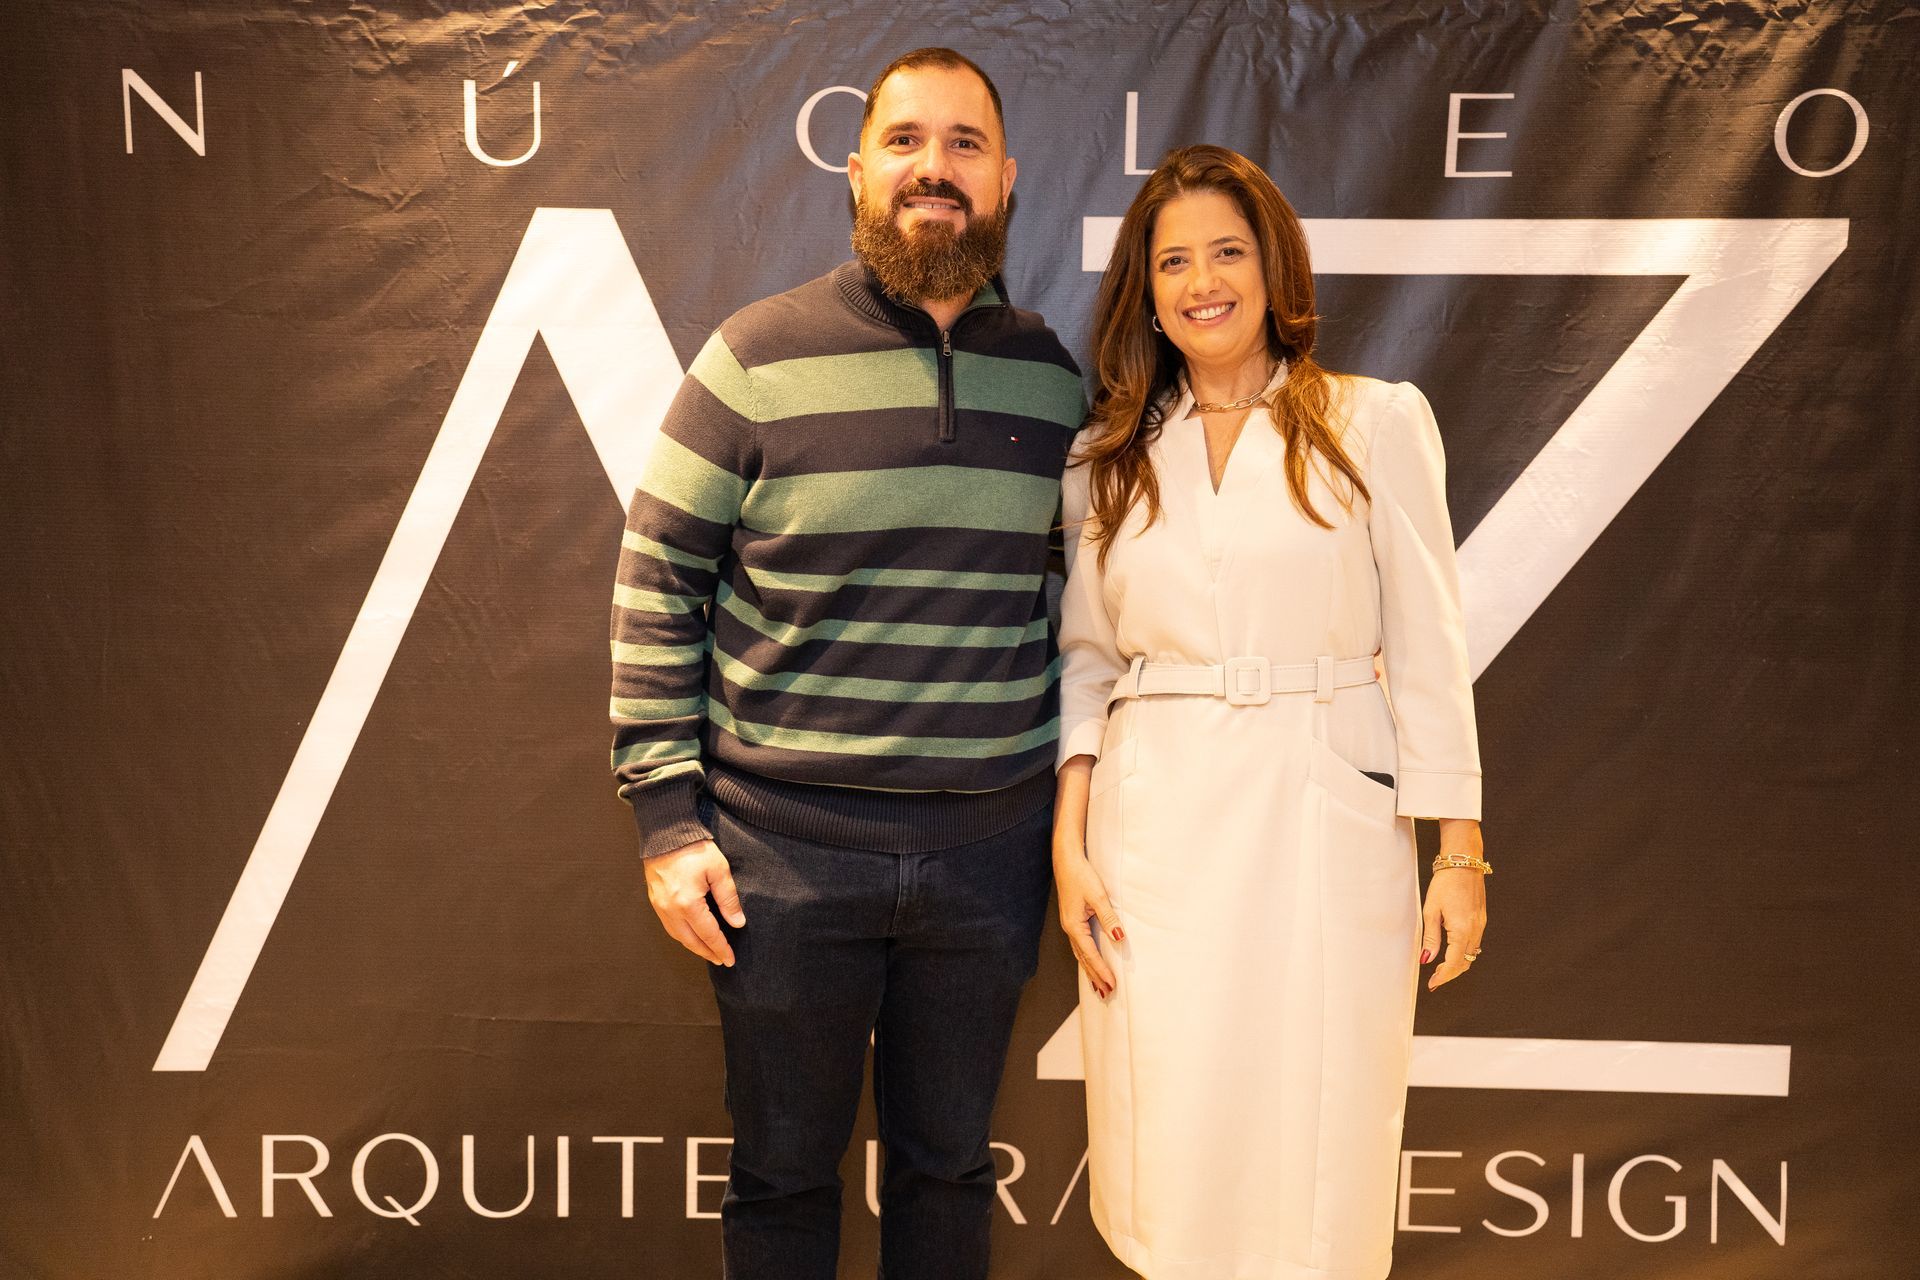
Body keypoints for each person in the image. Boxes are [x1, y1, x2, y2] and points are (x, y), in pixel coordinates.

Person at [608, 47, 1084, 1280]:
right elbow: (659, 578)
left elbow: (1084, 607)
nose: (937, 168)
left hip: (989, 857)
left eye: (966, 144)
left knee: (951, 1168)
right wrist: (668, 818)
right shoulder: (754, 354)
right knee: (779, 1179)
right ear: (859, 171)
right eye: (909, 142)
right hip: (783, 857)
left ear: (1007, 178)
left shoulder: (1049, 378)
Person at [1053, 144, 1490, 1280]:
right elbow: (1089, 662)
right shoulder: (1106, 457)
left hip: (1323, 808)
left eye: (1228, 251)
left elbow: (1433, 649)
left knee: (1318, 1125)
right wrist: (1068, 840)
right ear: (1145, 289)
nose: (1204, 281)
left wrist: (1461, 850)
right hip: (1152, 832)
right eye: (1174, 260)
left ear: (1274, 264)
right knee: (1175, 1119)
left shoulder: (1374, 420)